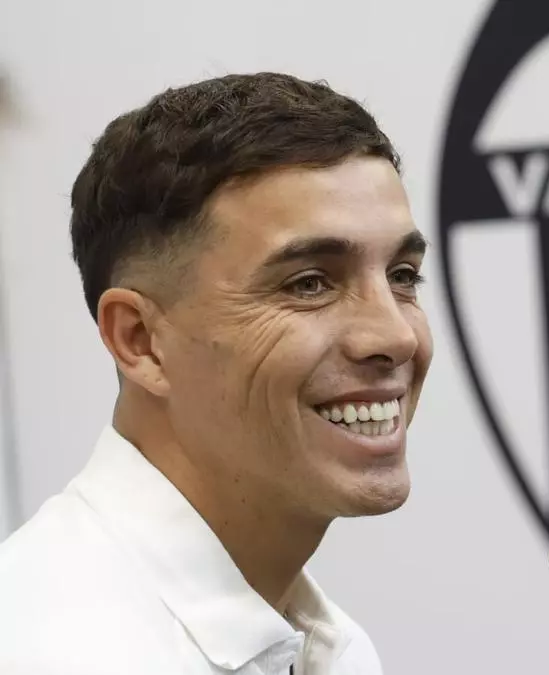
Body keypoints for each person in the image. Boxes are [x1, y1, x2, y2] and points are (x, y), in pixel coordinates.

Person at [0, 72, 433, 674]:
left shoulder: (335, 649)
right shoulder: (48, 651)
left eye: (403, 276)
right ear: (140, 340)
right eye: (309, 283)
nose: (395, 336)